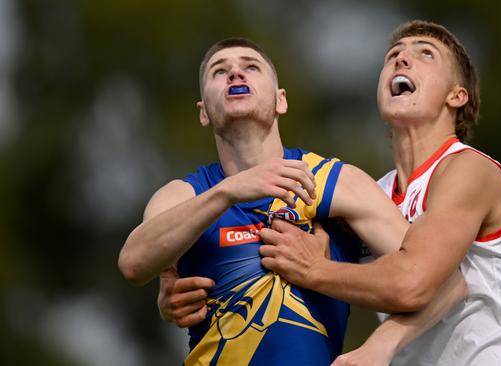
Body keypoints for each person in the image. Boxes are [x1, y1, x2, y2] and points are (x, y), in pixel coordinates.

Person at [118, 37, 466, 366]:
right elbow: (134, 263)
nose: (235, 73)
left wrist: (379, 346)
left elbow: (446, 285)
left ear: (280, 100)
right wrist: (229, 191)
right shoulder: (185, 195)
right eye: (219, 71)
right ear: (204, 112)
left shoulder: (332, 181)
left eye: (251, 67)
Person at [258, 20, 501, 365]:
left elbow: (412, 282)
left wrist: (315, 271)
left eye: (425, 54)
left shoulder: (470, 170)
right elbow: (266, 236)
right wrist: (182, 277)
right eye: (393, 55)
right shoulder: (372, 195)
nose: (401, 60)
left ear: (456, 95)